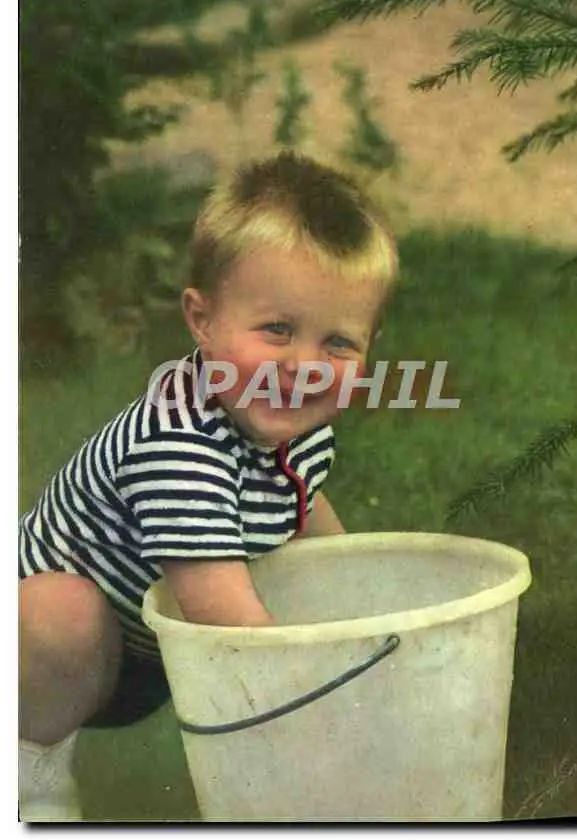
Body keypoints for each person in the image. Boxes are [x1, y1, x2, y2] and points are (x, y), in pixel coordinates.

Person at [18, 151, 399, 821]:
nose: (304, 367)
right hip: (42, 647)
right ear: (202, 320)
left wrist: (363, 605)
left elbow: (302, 505)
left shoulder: (290, 421)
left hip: (143, 644)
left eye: (338, 343)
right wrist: (323, 700)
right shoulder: (179, 445)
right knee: (62, 613)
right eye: (277, 329)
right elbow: (226, 618)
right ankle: (26, 774)